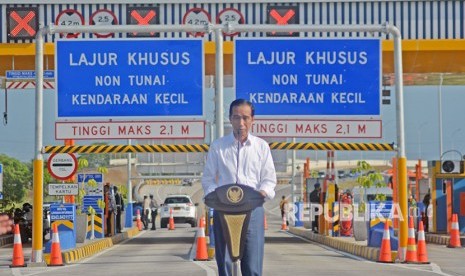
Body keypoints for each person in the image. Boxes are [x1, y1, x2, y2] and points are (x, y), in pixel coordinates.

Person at [202, 99, 277, 276]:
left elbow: (269, 180)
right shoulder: (218, 147)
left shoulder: (261, 147)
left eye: (245, 118)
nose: (241, 123)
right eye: (236, 117)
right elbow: (208, 179)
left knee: (252, 266)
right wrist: (215, 195)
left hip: (252, 210)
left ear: (253, 119)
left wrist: (262, 192)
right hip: (224, 210)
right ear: (230, 119)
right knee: (225, 266)